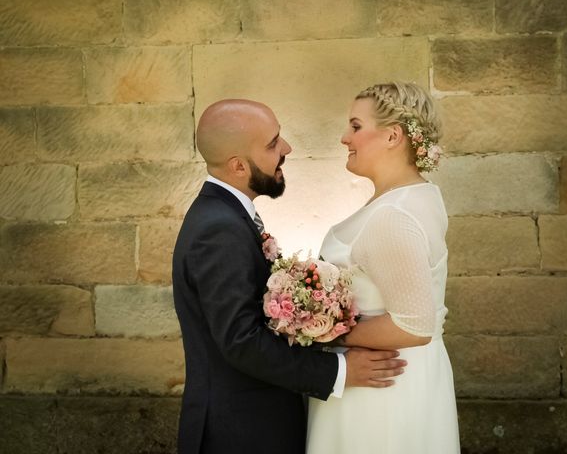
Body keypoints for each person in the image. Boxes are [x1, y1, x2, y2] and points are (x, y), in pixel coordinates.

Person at [172, 99, 407, 454]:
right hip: (239, 434)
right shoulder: (218, 229)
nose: (287, 149)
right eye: (272, 143)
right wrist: (338, 371)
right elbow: (242, 341)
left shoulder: (225, 216)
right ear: (238, 166)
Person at [307, 82, 460, 453]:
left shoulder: (393, 215)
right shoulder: (418, 196)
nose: (345, 137)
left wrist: (326, 331)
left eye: (356, 126)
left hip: (380, 390)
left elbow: (414, 323)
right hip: (402, 377)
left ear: (393, 135)